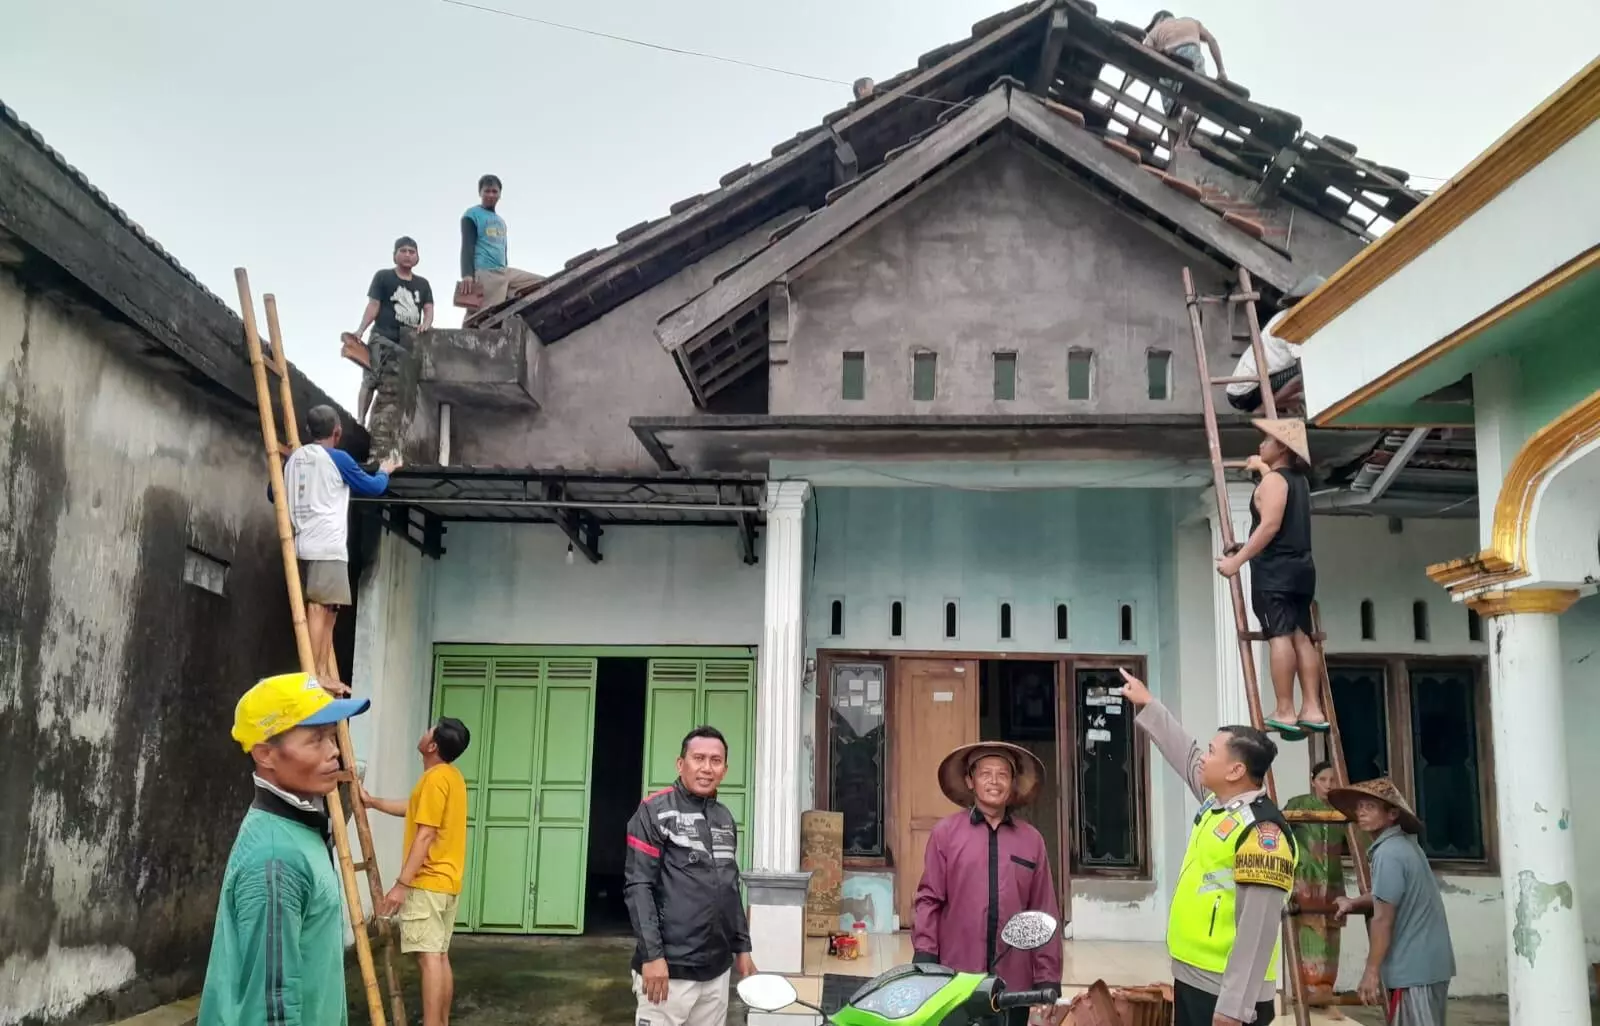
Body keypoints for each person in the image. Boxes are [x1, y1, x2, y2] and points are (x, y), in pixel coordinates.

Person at [1118, 667, 1297, 1026]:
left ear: (1235, 771)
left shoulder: (1263, 834)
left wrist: (1234, 1008)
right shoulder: (1219, 803)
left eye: (1212, 752)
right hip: (1194, 976)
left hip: (1226, 993)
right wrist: (1148, 704)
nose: (1203, 756)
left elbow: (1257, 930)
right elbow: (1185, 754)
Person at [198, 672, 372, 1026]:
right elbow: (271, 1009)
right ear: (266, 754)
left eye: (332, 736)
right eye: (316, 739)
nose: (334, 751)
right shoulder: (277, 858)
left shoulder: (300, 827)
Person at [912, 741, 1063, 1026]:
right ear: (970, 781)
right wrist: (925, 956)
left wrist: (1048, 979)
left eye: (1003, 774)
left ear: (1013, 783)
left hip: (1014, 986)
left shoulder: (1031, 841)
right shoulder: (946, 834)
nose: (994, 781)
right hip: (956, 980)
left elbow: (1044, 913)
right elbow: (929, 899)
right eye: (985, 773)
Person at [625, 726, 757, 1026]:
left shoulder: (724, 818)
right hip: (669, 970)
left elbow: (729, 887)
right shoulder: (653, 812)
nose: (707, 768)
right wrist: (652, 956)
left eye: (716, 760)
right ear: (680, 763)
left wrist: (742, 947)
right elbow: (638, 886)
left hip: (716, 971)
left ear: (725, 769)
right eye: (698, 758)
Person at [1215, 418, 1323, 740]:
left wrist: (1237, 561)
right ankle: (1312, 708)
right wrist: (1263, 469)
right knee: (1301, 636)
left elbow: (1270, 526)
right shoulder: (1299, 482)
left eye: (1267, 441)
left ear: (1283, 448)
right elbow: (1279, 501)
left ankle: (1285, 709)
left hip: (1275, 571)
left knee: (1279, 635)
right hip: (1302, 569)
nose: (1261, 445)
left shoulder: (1274, 482)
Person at [361, 718, 472, 1026]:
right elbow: (412, 808)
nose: (424, 732)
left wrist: (401, 885)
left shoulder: (434, 779)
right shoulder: (451, 777)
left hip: (427, 882)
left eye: (429, 730)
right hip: (447, 883)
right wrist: (373, 802)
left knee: (428, 958)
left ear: (432, 745)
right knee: (439, 956)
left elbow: (425, 835)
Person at [282, 405, 399, 694]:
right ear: (337, 432)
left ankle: (321, 671)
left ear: (309, 431)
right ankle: (314, 674)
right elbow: (372, 487)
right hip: (327, 545)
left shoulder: (294, 460)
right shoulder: (337, 459)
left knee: (330, 607)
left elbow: (275, 493)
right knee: (320, 607)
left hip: (304, 542)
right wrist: (385, 472)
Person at [1330, 779, 1455, 1026]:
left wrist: (1371, 972)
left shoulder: (1388, 853)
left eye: (1370, 807)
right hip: (1428, 964)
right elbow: (1388, 894)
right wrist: (1354, 903)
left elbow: (1383, 918)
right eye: (1359, 806)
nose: (1361, 812)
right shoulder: (1403, 846)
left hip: (1413, 968)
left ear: (1392, 814)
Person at [1284, 761, 1347, 1011]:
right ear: (1313, 781)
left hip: (1332, 883)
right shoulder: (1297, 805)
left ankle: (1325, 993)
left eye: (1332, 780)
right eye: (1323, 780)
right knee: (1307, 935)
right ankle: (1305, 993)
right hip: (1305, 882)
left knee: (1331, 937)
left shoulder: (1343, 809)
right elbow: (1281, 834)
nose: (1328, 785)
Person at [353, 236, 434, 428]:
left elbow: (429, 308)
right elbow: (373, 305)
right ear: (395, 255)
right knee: (371, 379)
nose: (407, 255)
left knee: (396, 388)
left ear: (417, 257)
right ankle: (360, 420)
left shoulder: (423, 284)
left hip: (406, 343)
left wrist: (426, 323)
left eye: (411, 252)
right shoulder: (383, 277)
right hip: (382, 337)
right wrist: (360, 330)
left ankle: (381, 425)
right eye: (403, 251)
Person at [1225, 276, 1325, 416]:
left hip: (1244, 389)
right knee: (1302, 373)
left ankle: (1280, 404)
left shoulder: (1286, 315)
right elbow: (1305, 369)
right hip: (1244, 394)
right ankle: (1264, 408)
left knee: (1302, 374)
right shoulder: (1292, 323)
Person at [460, 174, 545, 309]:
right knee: (485, 315)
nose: (491, 195)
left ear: (500, 194)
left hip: (504, 272)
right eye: (487, 191)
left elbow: (503, 250)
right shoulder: (472, 214)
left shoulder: (500, 221)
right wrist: (467, 274)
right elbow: (467, 245)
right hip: (486, 273)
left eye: (494, 191)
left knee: (542, 283)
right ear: (480, 193)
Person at [1143, 11, 1227, 145]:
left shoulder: (1155, 31)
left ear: (1161, 18)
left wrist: (1123, 90)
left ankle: (1173, 151)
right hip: (1192, 57)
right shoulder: (1191, 22)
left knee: (1171, 114)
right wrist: (1221, 70)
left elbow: (1143, 55)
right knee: (1194, 100)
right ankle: (1183, 141)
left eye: (1153, 24)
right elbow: (1212, 40)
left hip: (1169, 66)